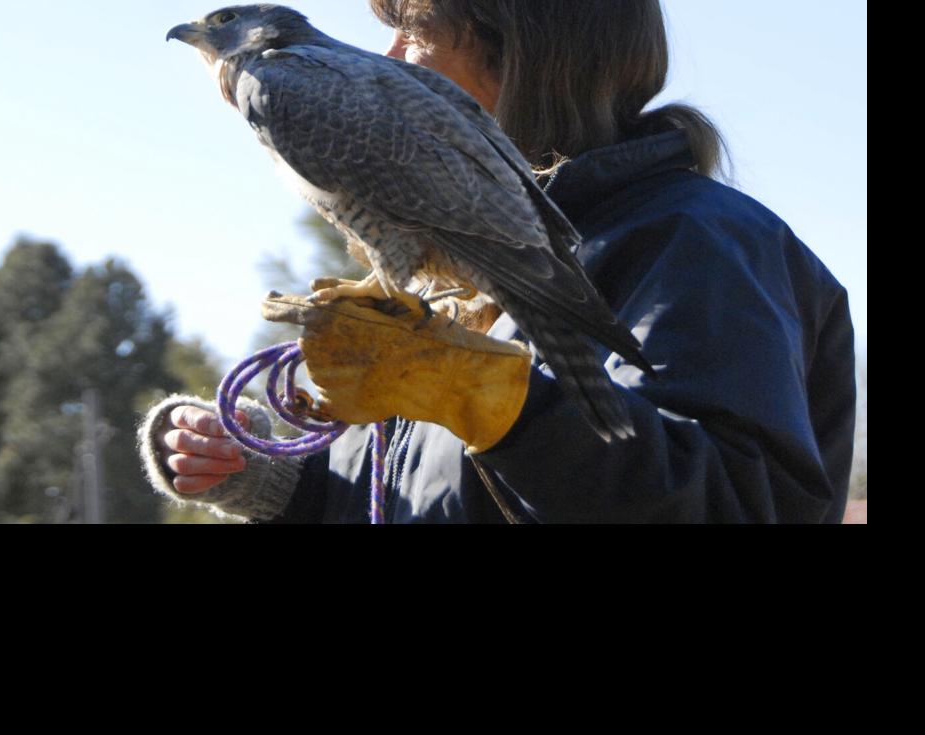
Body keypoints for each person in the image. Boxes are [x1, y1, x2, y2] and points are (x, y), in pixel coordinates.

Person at [138, 0, 856, 524]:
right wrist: (278, 483)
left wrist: (507, 408)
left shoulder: (698, 244)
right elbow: (426, 500)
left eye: (416, 31)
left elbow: (730, 506)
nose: (387, 57)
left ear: (522, 53)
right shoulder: (454, 281)